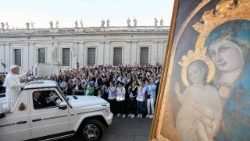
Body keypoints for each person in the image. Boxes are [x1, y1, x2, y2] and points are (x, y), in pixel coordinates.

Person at [205, 20, 250, 141]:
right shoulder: (210, 85)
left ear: (241, 48)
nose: (217, 58)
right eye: (213, 53)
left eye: (223, 49)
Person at [175, 60, 222, 141]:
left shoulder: (211, 91)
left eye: (195, 72)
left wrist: (211, 114)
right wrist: (177, 92)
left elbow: (218, 111)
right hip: (186, 123)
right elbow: (183, 100)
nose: (192, 76)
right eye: (190, 74)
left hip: (204, 123)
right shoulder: (189, 89)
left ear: (203, 72)